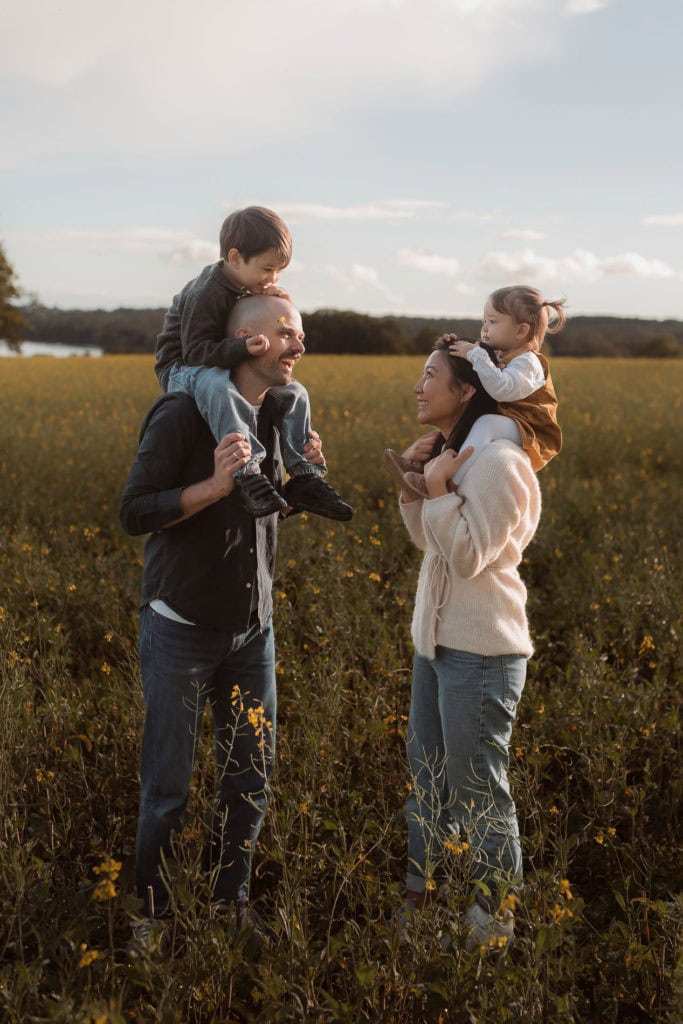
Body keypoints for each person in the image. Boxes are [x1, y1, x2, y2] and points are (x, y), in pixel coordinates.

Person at [120, 294, 329, 953]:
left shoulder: (279, 413)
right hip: (180, 628)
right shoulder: (182, 413)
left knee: (249, 779)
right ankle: (148, 914)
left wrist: (300, 482)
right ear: (245, 340)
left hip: (251, 631)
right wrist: (212, 488)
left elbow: (259, 517)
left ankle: (226, 904)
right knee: (167, 788)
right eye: (286, 332)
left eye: (299, 332)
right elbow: (134, 513)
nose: (299, 344)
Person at [386, 337, 542, 951]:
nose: (419, 386)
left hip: (482, 653)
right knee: (427, 780)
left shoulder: (501, 463)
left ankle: (494, 920)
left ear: (466, 389)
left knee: (479, 788)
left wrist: (439, 490)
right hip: (437, 645)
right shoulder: (457, 454)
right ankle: (421, 900)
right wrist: (413, 487)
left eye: (430, 376)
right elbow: (432, 546)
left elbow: (470, 555)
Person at [155, 205, 351, 521]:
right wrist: (243, 347)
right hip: (181, 369)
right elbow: (195, 353)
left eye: (277, 271)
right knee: (218, 384)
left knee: (295, 392)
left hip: (216, 361)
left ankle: (304, 475)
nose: (271, 278)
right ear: (235, 258)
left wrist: (271, 302)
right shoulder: (208, 290)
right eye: (266, 269)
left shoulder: (244, 284)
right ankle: (247, 471)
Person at [445, 285, 565, 481]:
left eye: (492, 321)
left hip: (531, 430)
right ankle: (429, 463)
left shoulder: (528, 362)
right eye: (484, 321)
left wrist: (474, 354)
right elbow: (483, 370)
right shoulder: (500, 356)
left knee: (487, 423)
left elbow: (502, 389)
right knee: (461, 419)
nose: (484, 328)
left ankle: (454, 479)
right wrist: (453, 347)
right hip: (511, 422)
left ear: (521, 331)